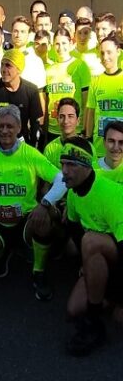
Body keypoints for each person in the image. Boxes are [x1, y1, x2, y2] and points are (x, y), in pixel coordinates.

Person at [0, 105, 67, 301]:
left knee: (44, 220)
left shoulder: (31, 154)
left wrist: (45, 203)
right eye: (0, 126)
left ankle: (38, 272)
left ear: (19, 128)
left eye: (9, 126)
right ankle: (1, 249)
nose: (4, 130)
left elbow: (62, 179)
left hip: (26, 222)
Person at [61, 137, 123, 356]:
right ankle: (102, 299)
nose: (64, 171)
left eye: (71, 165)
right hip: (102, 256)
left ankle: (95, 324)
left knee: (91, 241)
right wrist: (85, 264)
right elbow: (75, 233)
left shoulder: (110, 195)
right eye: (63, 164)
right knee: (73, 309)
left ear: (87, 166)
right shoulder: (72, 194)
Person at [0, 48, 43, 147]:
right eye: (2, 64)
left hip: (22, 146)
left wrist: (34, 152)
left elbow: (36, 126)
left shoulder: (31, 90)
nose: (4, 69)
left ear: (19, 69)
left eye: (8, 65)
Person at [44, 27, 91, 143]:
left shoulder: (80, 65)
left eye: (64, 43)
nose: (61, 48)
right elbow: (46, 102)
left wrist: (85, 128)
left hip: (75, 128)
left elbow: (87, 102)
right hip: (53, 129)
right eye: (57, 44)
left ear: (70, 43)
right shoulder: (48, 69)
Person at [84, 35, 123, 154]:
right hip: (100, 148)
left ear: (118, 52)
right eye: (102, 53)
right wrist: (88, 137)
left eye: (109, 52)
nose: (105, 57)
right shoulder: (95, 81)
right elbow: (90, 112)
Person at [43, 98, 88, 168]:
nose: (66, 121)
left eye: (70, 116)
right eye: (62, 116)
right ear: (57, 120)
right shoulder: (49, 149)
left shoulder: (88, 148)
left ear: (78, 121)